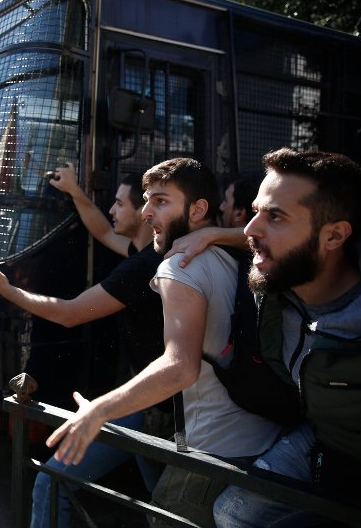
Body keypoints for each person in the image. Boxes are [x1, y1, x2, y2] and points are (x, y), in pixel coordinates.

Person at [45, 158, 283, 527]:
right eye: (145, 201)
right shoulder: (250, 257)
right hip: (262, 438)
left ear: (198, 209)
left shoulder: (177, 265)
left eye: (160, 201)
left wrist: (98, 410)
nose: (146, 213)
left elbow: (180, 366)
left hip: (215, 449)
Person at [0, 170, 170, 527]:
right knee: (164, 505)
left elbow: (69, 314)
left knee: (52, 481)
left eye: (118, 202)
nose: (111, 209)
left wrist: (8, 291)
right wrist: (75, 191)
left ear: (144, 212)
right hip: (155, 405)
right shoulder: (147, 251)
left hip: (155, 408)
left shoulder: (143, 265)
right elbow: (101, 230)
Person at [213, 149, 361, 526]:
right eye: (255, 210)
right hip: (326, 442)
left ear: (335, 235)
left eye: (275, 216)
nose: (250, 229)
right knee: (232, 514)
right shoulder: (281, 283)